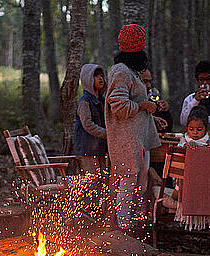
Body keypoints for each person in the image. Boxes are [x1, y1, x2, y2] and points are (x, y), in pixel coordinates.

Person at [105, 23, 160, 232]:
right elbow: (118, 105)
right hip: (125, 138)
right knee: (128, 180)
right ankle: (122, 227)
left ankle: (131, 221)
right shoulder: (121, 71)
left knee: (137, 180)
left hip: (137, 137)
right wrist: (143, 105)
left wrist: (150, 115)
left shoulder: (130, 71)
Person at [73, 64, 108, 173]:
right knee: (92, 180)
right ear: (88, 79)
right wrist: (107, 134)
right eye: (96, 76)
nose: (100, 78)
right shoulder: (85, 102)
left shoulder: (102, 101)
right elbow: (88, 124)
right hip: (87, 149)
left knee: (103, 179)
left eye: (101, 75)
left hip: (100, 148)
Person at [139, 69, 173, 133]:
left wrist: (165, 112)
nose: (149, 85)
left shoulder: (152, 98)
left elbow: (166, 129)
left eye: (150, 82)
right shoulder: (127, 101)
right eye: (145, 81)